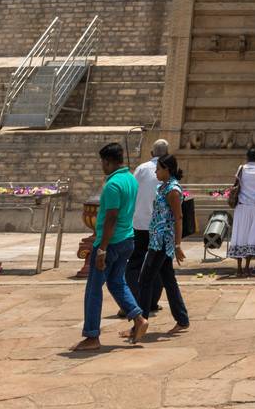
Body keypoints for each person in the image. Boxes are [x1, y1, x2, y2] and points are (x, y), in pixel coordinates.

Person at [73, 141, 146, 350]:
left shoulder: (113, 185)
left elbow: (111, 218)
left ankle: (92, 336)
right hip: (127, 239)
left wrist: (102, 249)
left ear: (108, 162)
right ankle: (138, 318)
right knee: (116, 283)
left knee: (94, 289)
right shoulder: (130, 180)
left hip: (111, 243)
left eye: (103, 162)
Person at [130, 153, 189, 335]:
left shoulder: (173, 190)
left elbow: (178, 218)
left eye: (158, 168)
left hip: (163, 241)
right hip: (156, 239)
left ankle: (140, 323)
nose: (155, 171)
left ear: (167, 170)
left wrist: (177, 245)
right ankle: (182, 319)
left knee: (145, 280)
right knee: (168, 279)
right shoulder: (163, 187)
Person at [124, 136, 169, 316]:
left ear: (151, 153)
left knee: (135, 263)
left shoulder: (142, 169)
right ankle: (151, 302)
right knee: (157, 264)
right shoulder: (169, 171)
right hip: (159, 225)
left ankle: (133, 300)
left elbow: (132, 191)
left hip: (140, 223)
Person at [228, 146, 255, 276]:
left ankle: (239, 269)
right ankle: (247, 267)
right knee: (253, 236)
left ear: (247, 157)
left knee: (240, 235)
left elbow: (235, 185)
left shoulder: (242, 169)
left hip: (242, 206)